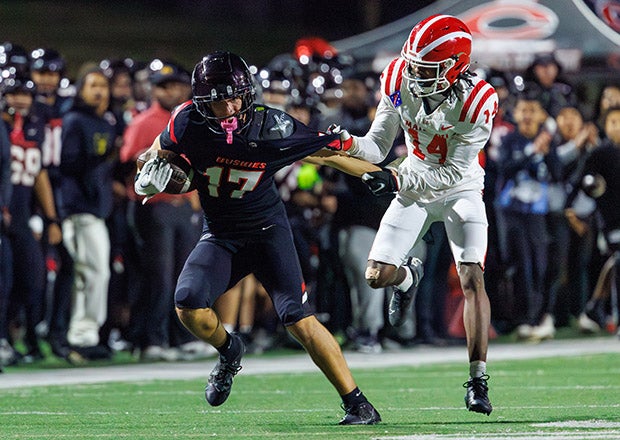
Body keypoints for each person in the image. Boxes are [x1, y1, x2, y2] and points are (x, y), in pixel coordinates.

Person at [133, 51, 381, 425]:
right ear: (202, 103)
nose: (229, 106)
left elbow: (326, 155)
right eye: (218, 100)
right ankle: (230, 349)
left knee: (299, 318)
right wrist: (148, 166)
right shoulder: (186, 121)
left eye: (235, 96)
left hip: (267, 233)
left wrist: (380, 175)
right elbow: (156, 151)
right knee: (187, 304)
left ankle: (357, 403)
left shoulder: (271, 127)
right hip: (220, 235)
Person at [326, 14, 496, 415]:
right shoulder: (398, 78)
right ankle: (407, 278)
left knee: (472, 275)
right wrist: (345, 142)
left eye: (427, 68)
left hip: (461, 187)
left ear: (455, 67)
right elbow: (375, 146)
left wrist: (397, 181)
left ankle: (477, 379)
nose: (416, 73)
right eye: (414, 64)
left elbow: (453, 171)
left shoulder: (477, 100)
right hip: (414, 178)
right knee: (375, 275)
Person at [120, 60, 208, 361]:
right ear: (155, 89)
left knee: (185, 274)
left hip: (183, 206)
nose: (172, 90)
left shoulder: (188, 120)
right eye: (164, 86)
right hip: (153, 207)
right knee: (159, 275)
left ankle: (180, 337)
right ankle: (151, 340)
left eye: (176, 85)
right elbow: (127, 163)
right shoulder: (144, 122)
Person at [58, 66, 118, 359]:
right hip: (80, 207)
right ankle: (82, 335)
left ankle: (84, 335)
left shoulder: (105, 121)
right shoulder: (74, 121)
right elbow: (66, 165)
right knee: (94, 272)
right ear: (80, 90)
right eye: (92, 85)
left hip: (97, 207)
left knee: (91, 272)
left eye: (103, 86)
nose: (98, 91)